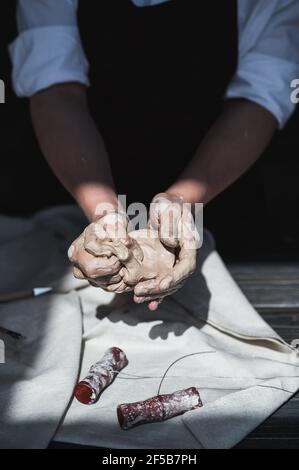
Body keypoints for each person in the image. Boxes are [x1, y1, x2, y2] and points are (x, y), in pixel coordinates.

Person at [9, 0, 299, 309]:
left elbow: (258, 100)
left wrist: (180, 202)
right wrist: (102, 213)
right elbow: (56, 91)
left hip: (219, 183)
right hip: (71, 173)